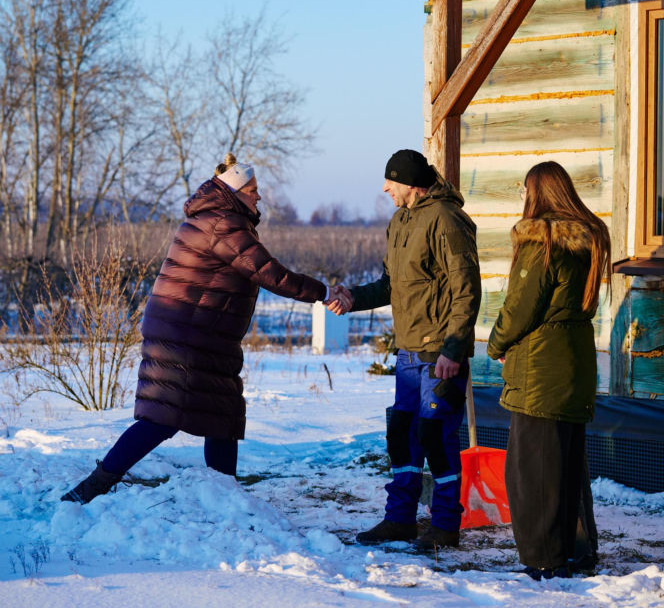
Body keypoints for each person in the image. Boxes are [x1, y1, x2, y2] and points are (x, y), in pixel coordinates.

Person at [62, 153, 332, 504]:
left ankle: (225, 494)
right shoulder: (223, 224)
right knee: (164, 414)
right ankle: (93, 486)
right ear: (235, 192)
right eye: (253, 189)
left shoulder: (217, 218)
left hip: (198, 335)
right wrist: (324, 293)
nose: (258, 196)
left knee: (220, 412)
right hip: (186, 335)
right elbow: (269, 272)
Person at [330, 149, 481, 549]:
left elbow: (467, 290)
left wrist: (454, 348)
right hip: (408, 351)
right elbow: (389, 284)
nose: (384, 188)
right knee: (402, 434)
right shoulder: (400, 221)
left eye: (390, 182)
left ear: (411, 184)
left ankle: (446, 525)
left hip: (439, 354)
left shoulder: (448, 220)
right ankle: (400, 519)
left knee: (437, 437)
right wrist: (352, 299)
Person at [486, 161, 610, 580]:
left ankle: (544, 558)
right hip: (575, 363)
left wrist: (496, 343)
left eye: (525, 191)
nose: (523, 199)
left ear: (537, 193)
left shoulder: (544, 241)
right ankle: (577, 551)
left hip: (540, 371)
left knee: (534, 471)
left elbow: (521, 307)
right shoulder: (587, 242)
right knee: (569, 466)